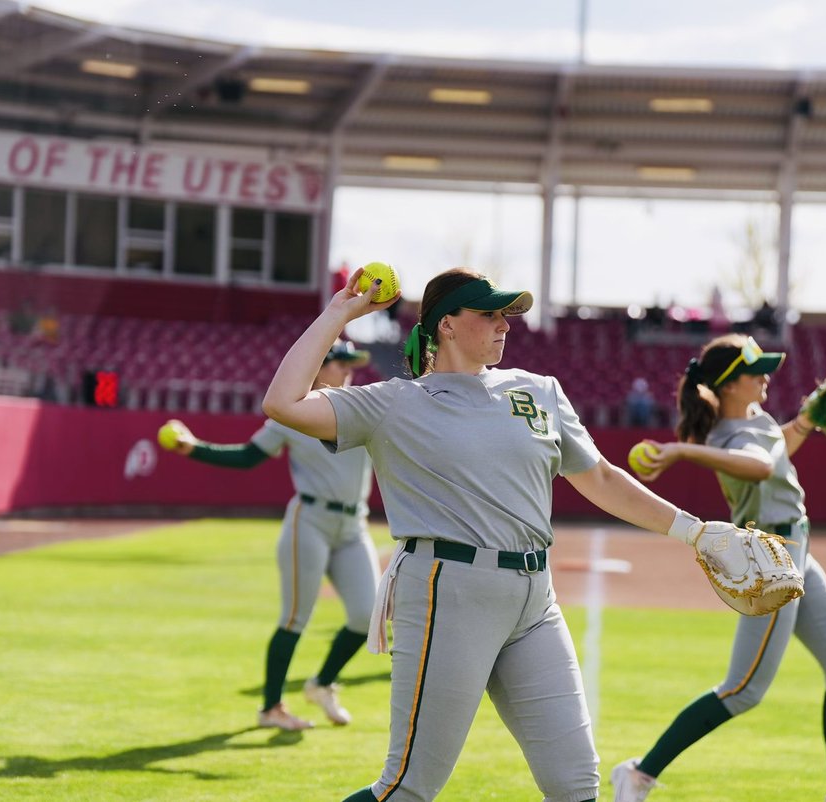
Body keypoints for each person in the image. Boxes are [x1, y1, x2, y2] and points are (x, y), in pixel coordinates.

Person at [262, 266, 749, 802]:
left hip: (534, 602)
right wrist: (339, 314)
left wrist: (697, 533)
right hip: (448, 594)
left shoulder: (539, 391)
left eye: (506, 314)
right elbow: (282, 403)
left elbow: (603, 479)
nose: (505, 325)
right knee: (408, 787)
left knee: (575, 783)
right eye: (489, 313)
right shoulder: (393, 402)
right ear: (447, 325)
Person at [612, 334, 826, 802]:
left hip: (797, 550)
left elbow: (774, 450)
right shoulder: (724, 437)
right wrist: (682, 450)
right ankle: (638, 774)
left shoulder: (755, 419)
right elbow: (756, 466)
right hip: (770, 558)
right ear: (729, 385)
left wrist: (806, 422)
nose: (766, 377)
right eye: (756, 371)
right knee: (744, 689)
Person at [160, 340, 380, 732]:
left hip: (353, 525)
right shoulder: (292, 411)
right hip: (309, 520)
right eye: (341, 363)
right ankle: (271, 708)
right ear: (319, 365)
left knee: (368, 616)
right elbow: (248, 457)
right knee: (296, 617)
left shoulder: (365, 408)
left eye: (351, 365)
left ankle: (322, 684)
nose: (349, 371)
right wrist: (192, 448)